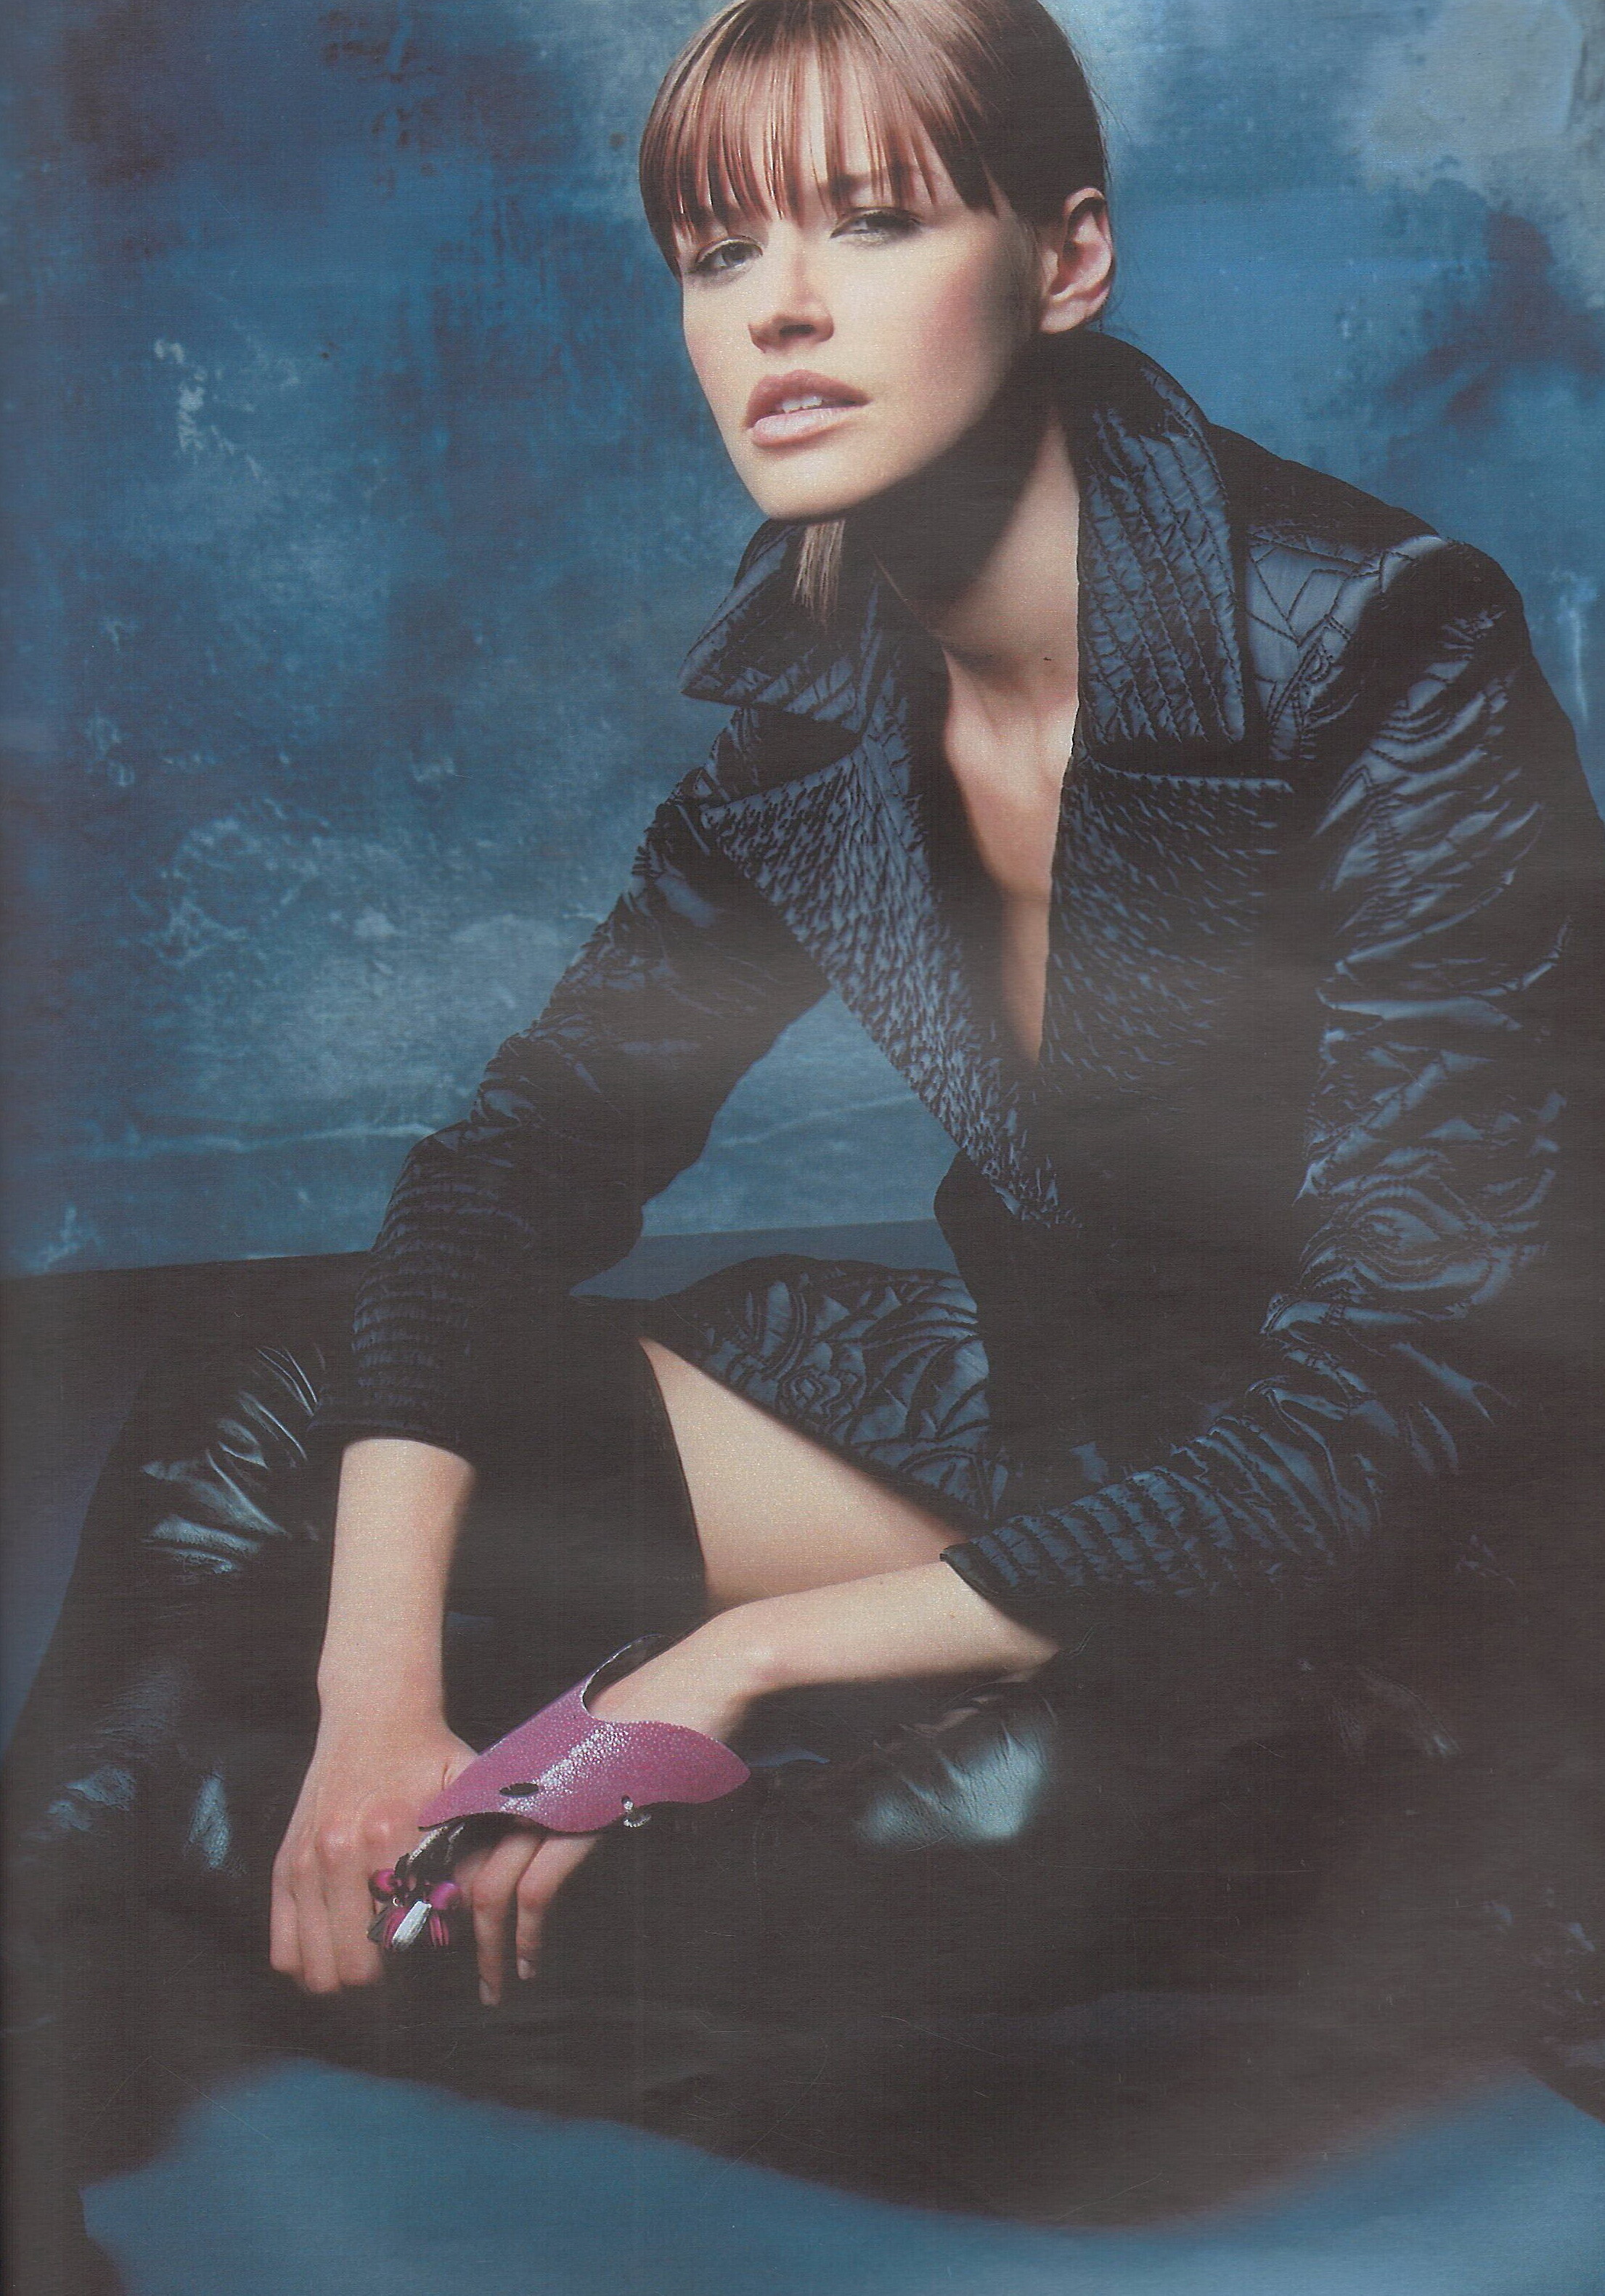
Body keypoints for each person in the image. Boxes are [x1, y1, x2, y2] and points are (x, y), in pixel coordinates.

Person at [9, 0, 1605, 2283]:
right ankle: (68, 1981)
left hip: (1397, 1589)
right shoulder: (818, 698)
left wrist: (737, 1660)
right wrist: (379, 1701)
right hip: (1040, 1456)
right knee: (273, 1389)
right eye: (714, 249)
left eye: (869, 222)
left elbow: (1390, 1396)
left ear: (1062, 260)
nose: (775, 306)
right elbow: (500, 1182)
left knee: (936, 1856)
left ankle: (143, 1925)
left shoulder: (1377, 649)